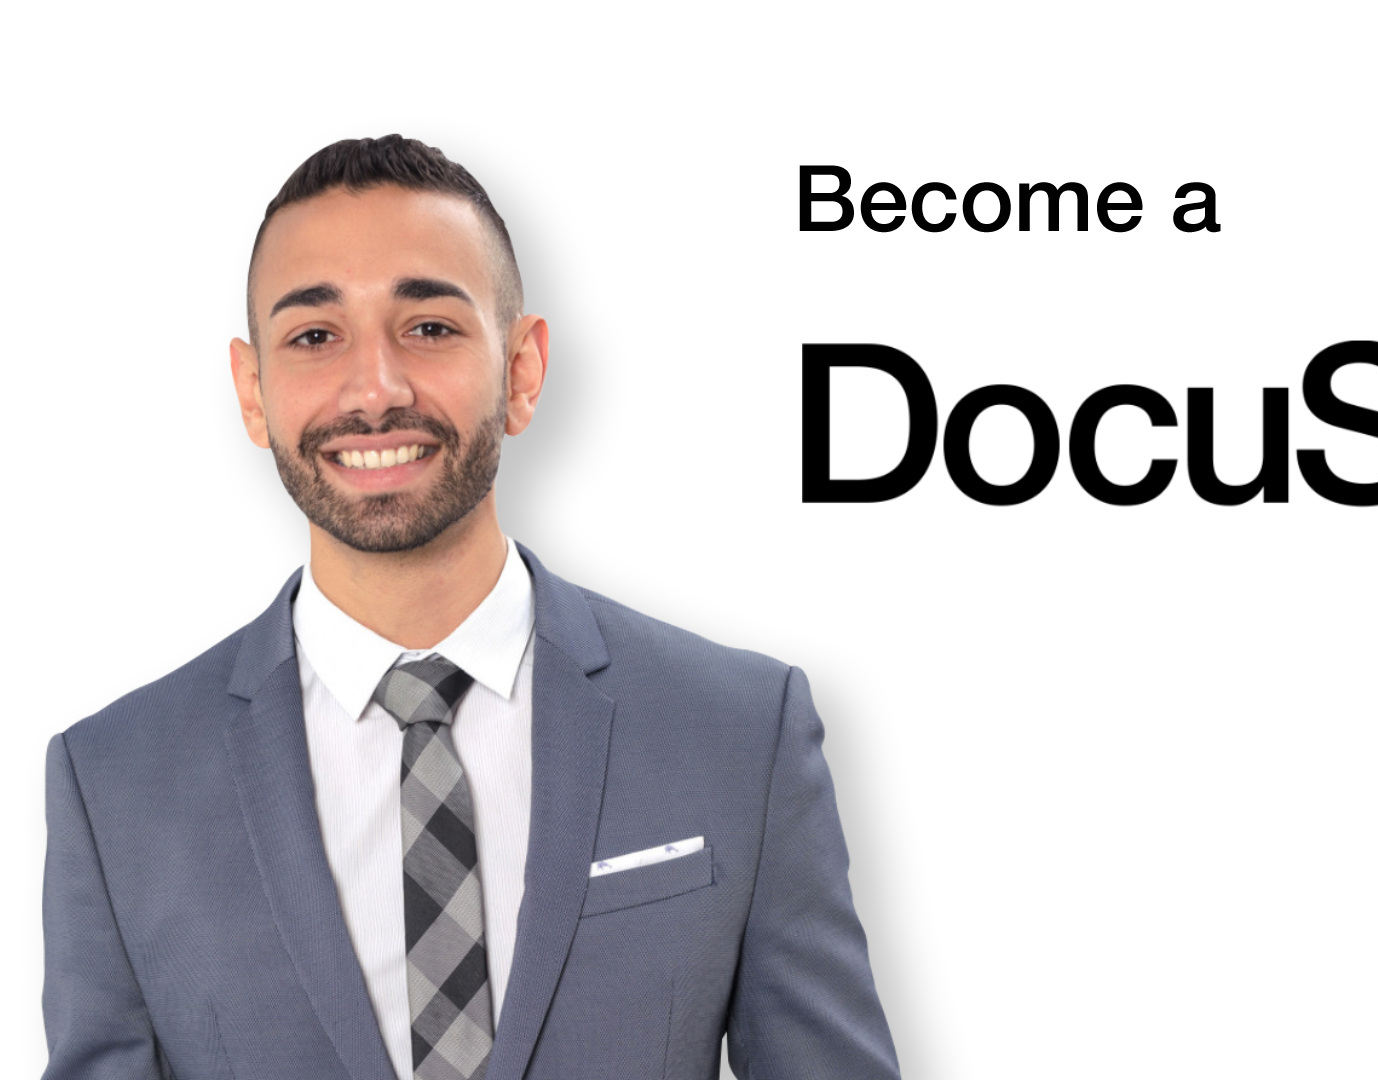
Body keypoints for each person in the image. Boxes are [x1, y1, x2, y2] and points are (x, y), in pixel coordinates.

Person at [42, 134, 901, 1080]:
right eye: (315, 336)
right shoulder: (112, 780)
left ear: (522, 370)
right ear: (252, 392)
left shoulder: (740, 729)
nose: (376, 390)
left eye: (429, 327)